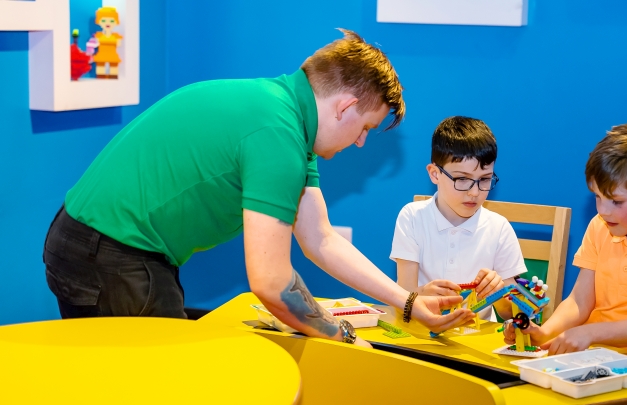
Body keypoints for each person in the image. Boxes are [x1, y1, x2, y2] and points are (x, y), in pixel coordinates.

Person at [43, 29, 474, 348]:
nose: (361, 141)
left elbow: (319, 238)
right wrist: (342, 337)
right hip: (108, 252)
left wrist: (408, 302)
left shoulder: (285, 114)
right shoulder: (278, 135)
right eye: (364, 128)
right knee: (161, 382)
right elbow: (271, 282)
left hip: (95, 240)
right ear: (345, 106)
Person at [504, 121, 627, 364]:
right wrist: (544, 333)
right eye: (597, 197)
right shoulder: (600, 226)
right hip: (592, 362)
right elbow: (580, 301)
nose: (603, 210)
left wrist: (589, 333)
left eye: (616, 202)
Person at [391, 116, 527, 322]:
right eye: (462, 179)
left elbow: (514, 314)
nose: (474, 192)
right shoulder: (412, 217)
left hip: (477, 341)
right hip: (423, 335)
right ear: (435, 174)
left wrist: (499, 295)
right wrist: (423, 293)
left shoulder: (499, 228)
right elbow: (402, 298)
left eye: (485, 179)